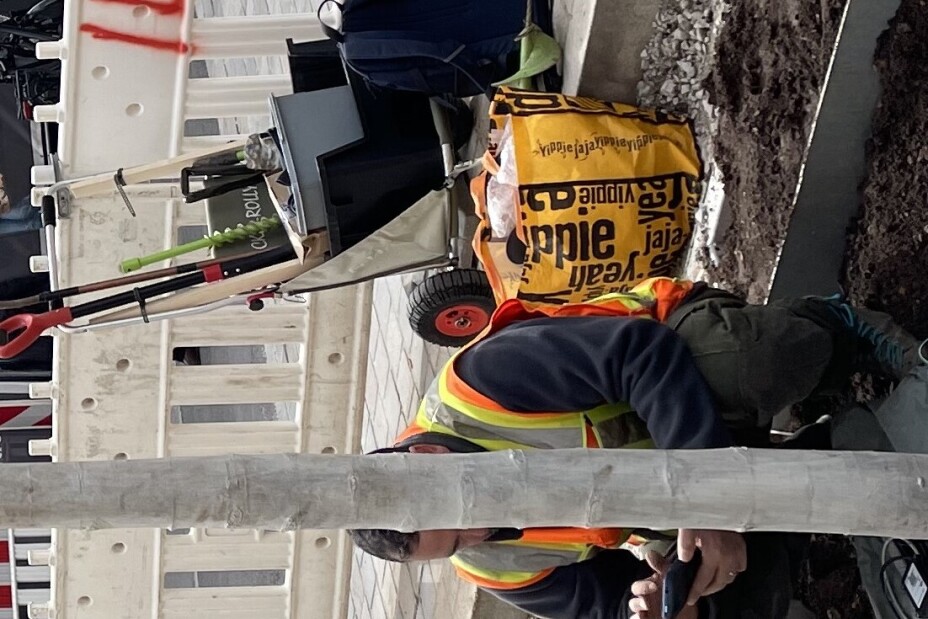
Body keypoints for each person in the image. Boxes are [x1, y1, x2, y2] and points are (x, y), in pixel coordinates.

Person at [350, 277, 924, 619]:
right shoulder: (490, 566)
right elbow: (599, 605)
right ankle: (823, 449)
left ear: (429, 459)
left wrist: (708, 502)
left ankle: (836, 327)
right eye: (455, 546)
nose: (475, 536)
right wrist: (653, 600)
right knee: (714, 602)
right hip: (699, 487)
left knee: (758, 362)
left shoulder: (481, 384)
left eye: (460, 524)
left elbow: (641, 354)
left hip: (691, 364)